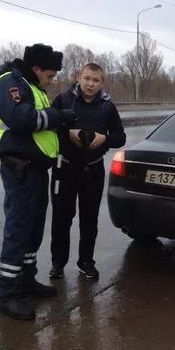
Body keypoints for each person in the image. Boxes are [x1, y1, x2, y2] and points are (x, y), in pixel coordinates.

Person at [0, 43, 77, 321]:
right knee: (18, 229)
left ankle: (27, 279)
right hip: (20, 168)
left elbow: (39, 124)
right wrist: (56, 117)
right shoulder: (9, 83)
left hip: (36, 168)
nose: (52, 81)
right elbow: (22, 120)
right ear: (37, 68)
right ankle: (8, 294)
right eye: (50, 75)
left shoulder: (33, 87)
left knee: (33, 228)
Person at [49, 63, 126, 280]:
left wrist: (106, 139)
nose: (90, 84)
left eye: (95, 80)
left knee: (89, 219)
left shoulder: (107, 106)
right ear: (79, 78)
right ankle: (58, 263)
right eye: (87, 78)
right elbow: (50, 128)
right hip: (64, 169)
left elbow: (120, 136)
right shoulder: (64, 100)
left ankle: (86, 262)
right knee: (62, 218)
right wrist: (68, 132)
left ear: (102, 83)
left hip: (93, 170)